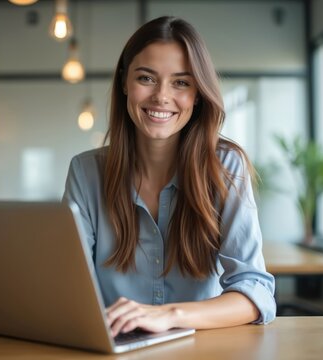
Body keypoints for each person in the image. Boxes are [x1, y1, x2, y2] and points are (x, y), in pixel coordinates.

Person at [63, 16, 275, 337]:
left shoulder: (225, 166)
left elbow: (256, 293)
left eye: (181, 82)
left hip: (204, 351)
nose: (162, 96)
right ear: (124, 83)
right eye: (146, 78)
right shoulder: (86, 171)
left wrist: (169, 315)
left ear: (198, 93)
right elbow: (68, 284)